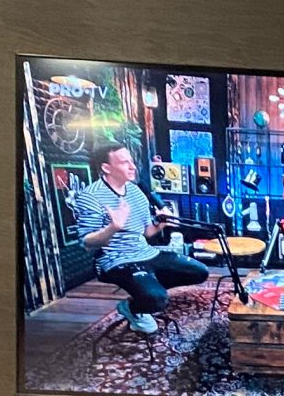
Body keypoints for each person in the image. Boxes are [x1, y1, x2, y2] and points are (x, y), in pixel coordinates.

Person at [69, 144, 209, 336]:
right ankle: (133, 308)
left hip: (145, 252)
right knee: (157, 300)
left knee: (199, 272)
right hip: (115, 260)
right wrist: (113, 228)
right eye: (124, 162)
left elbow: (147, 233)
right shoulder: (90, 196)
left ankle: (147, 290)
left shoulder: (136, 192)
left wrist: (162, 223)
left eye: (131, 161)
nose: (132, 166)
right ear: (106, 168)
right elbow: (87, 243)